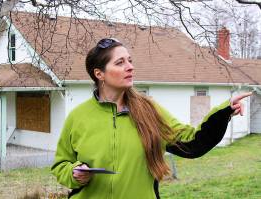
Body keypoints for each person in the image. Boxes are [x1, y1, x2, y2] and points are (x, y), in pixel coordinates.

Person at [51, 38, 252, 199]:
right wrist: (75, 173)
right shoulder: (78, 117)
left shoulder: (149, 111)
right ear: (99, 74)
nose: (130, 67)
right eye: (120, 62)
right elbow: (61, 165)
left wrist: (224, 111)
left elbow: (193, 143)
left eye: (130, 60)